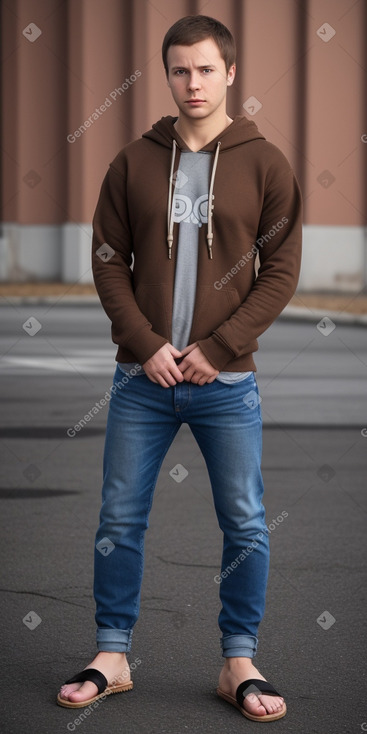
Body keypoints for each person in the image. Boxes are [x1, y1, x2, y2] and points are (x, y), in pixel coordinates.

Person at [57, 14, 302, 721]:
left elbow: (280, 271)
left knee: (247, 524)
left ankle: (238, 662)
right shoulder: (131, 162)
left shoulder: (266, 164)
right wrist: (145, 343)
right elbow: (107, 262)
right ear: (165, 76)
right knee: (119, 518)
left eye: (204, 69)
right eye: (178, 70)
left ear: (230, 74)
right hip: (143, 381)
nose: (191, 82)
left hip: (227, 384)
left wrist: (217, 348)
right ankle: (111, 655)